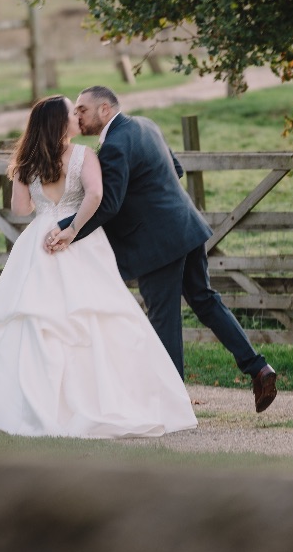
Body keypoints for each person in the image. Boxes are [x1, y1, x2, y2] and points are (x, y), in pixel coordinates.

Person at [0, 95, 197, 438]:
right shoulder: (84, 155)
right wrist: (73, 227)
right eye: (72, 113)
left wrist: (29, 184)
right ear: (61, 123)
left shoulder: (27, 161)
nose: (78, 116)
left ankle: (27, 406)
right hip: (80, 237)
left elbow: (20, 209)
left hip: (41, 239)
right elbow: (96, 195)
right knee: (93, 317)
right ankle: (100, 401)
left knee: (36, 320)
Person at [46, 86, 278, 412]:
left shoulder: (115, 145)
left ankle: (173, 404)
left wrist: (68, 229)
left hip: (158, 244)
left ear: (104, 109)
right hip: (186, 226)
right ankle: (259, 368)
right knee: (205, 301)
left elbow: (108, 204)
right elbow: (176, 170)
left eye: (82, 109)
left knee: (163, 318)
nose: (78, 115)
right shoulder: (146, 125)